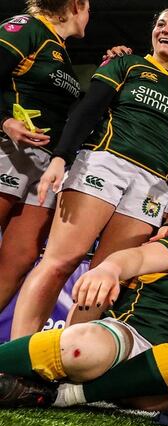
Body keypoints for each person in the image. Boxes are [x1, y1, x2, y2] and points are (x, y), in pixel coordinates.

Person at [12, 7, 168, 339]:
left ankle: (62, 365)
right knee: (59, 262)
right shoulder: (126, 64)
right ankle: (15, 359)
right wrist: (60, 158)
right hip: (104, 163)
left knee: (103, 278)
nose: (166, 30)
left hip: (152, 188)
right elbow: (87, 112)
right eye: (160, 24)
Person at [0, 199, 168, 410]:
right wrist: (111, 269)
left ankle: (68, 395)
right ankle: (56, 386)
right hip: (128, 340)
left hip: (166, 370)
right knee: (82, 347)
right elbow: (138, 258)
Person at [0, 0, 90, 313]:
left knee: (22, 256)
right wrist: (4, 120)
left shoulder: (60, 51)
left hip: (44, 165)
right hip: (8, 150)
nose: (89, 17)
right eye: (89, 8)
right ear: (77, 5)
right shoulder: (28, 27)